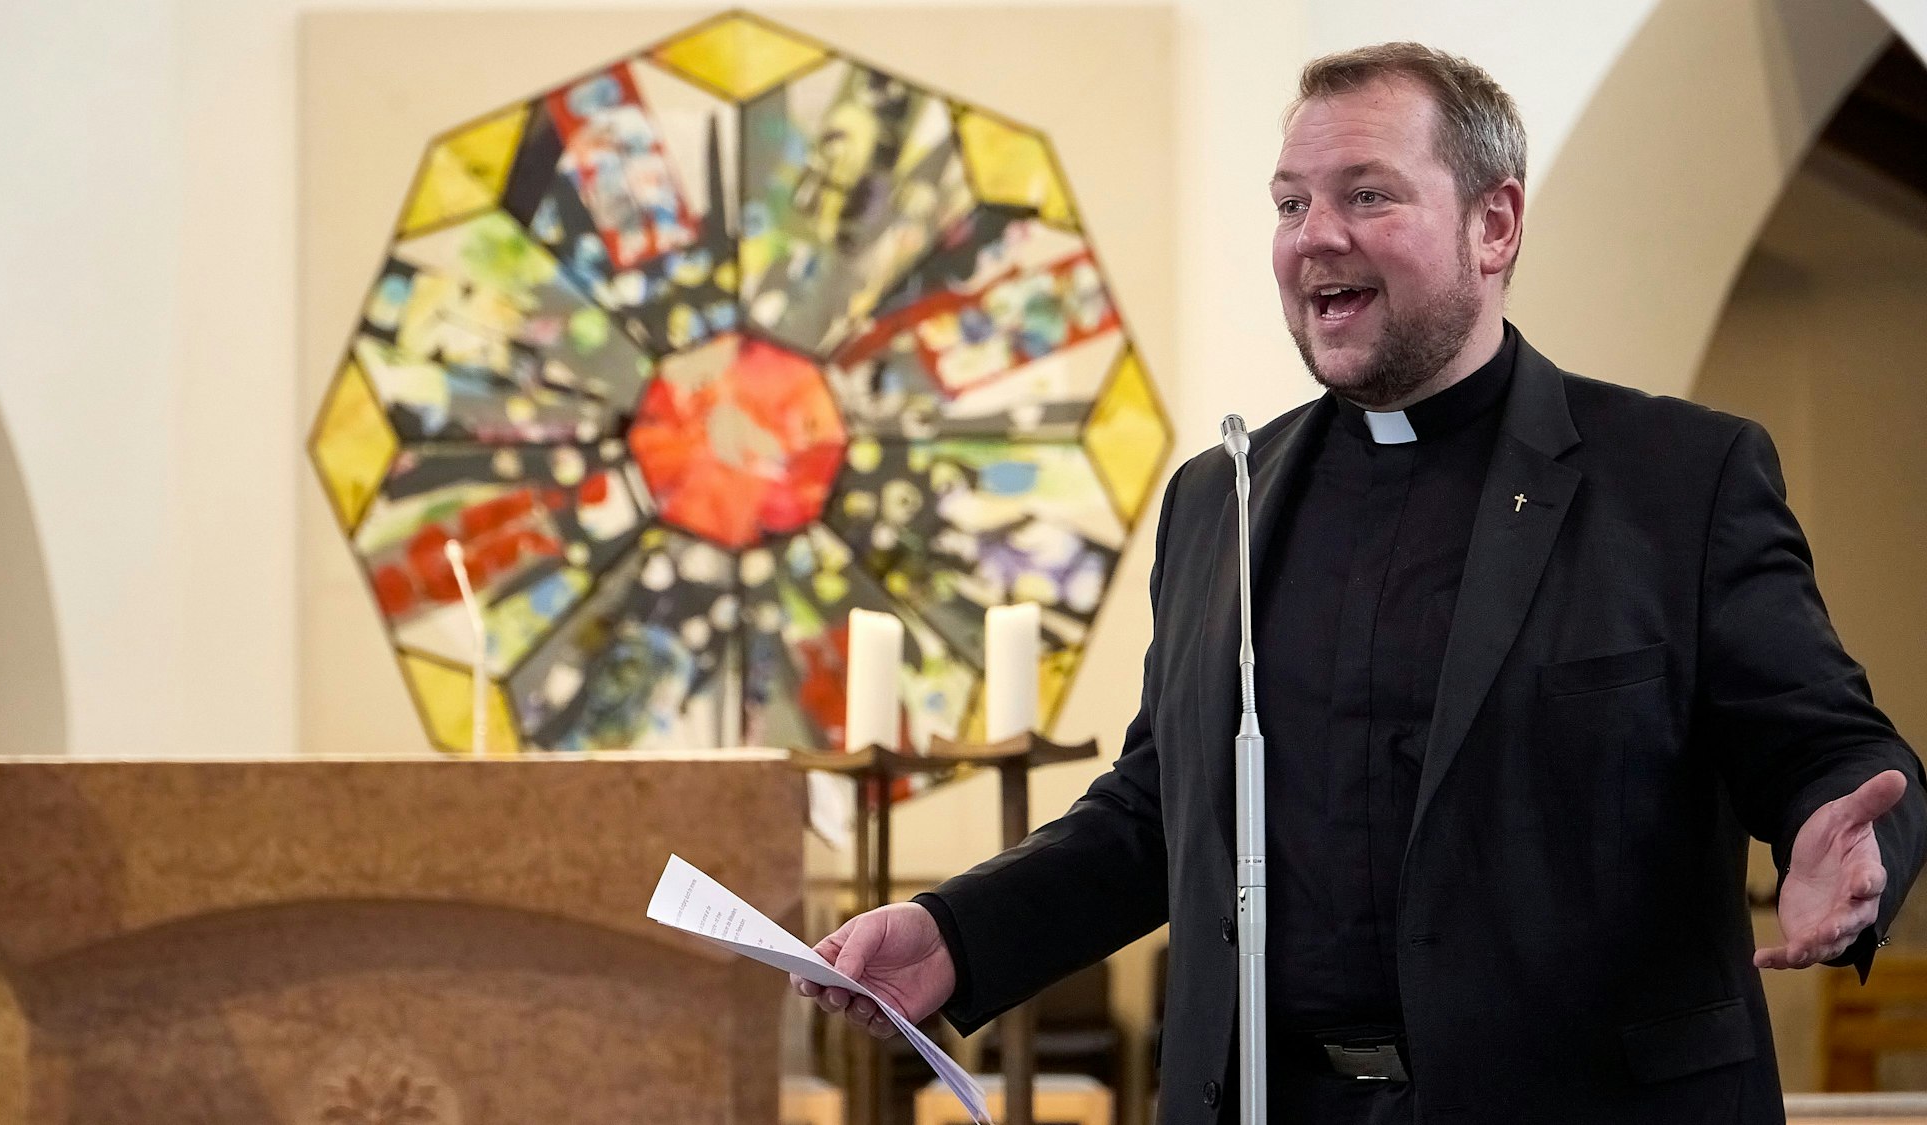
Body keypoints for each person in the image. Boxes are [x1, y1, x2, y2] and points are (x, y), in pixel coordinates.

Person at [791, 42, 1927, 1125]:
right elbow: (1159, 813)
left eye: (1366, 195)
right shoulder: (1219, 500)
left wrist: (1844, 838)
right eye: (1289, 204)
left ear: (1494, 224)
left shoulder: (1677, 479)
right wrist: (956, 935)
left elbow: (1828, 748)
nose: (1313, 236)